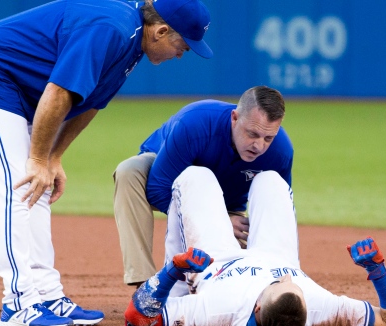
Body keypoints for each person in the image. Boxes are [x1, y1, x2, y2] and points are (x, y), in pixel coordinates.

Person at [0, 0, 212, 326]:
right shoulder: (111, 28)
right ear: (160, 31)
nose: (182, 53)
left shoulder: (133, 43)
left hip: (21, 90)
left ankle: (46, 293)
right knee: (19, 186)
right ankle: (17, 303)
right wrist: (38, 159)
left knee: (38, 188)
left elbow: (90, 103)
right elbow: (59, 91)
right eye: (182, 44)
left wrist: (53, 158)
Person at [124, 166, 386, 326]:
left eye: (277, 283)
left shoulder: (219, 311)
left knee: (195, 176)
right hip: (278, 254)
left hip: (215, 263)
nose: (288, 280)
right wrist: (378, 270)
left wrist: (173, 270)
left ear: (259, 307)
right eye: (293, 284)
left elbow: (137, 319)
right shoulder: (317, 308)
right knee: (271, 180)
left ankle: (177, 290)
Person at [114, 86, 293, 288]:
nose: (259, 145)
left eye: (268, 138)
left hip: (228, 209)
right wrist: (218, 222)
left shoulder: (280, 152)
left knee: (236, 282)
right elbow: (157, 188)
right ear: (234, 118)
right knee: (129, 172)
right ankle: (144, 287)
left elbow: (279, 215)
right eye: (252, 133)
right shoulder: (196, 123)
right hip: (166, 181)